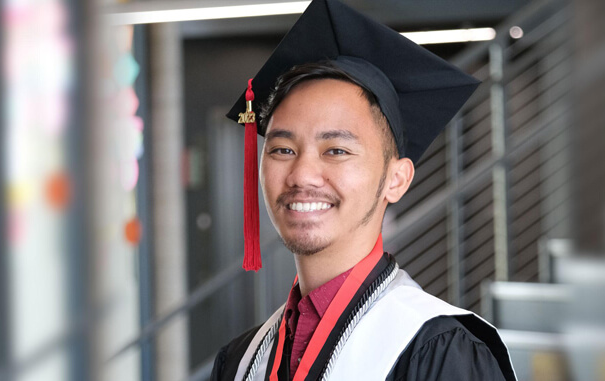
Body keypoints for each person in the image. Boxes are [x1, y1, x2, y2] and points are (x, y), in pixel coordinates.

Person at [211, 0, 517, 380]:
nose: (302, 174)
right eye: (282, 149)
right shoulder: (242, 361)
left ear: (397, 180)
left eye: (336, 150)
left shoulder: (439, 353)